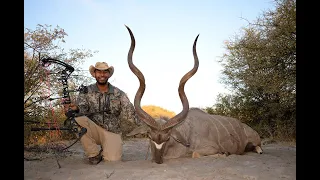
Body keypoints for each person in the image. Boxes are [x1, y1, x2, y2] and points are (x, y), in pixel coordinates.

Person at [64, 61, 141, 165]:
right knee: (76, 120)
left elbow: (130, 113)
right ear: (94, 74)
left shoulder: (119, 93)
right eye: (99, 72)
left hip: (112, 131)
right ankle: (94, 154)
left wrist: (145, 127)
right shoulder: (86, 91)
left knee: (113, 160)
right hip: (93, 129)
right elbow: (82, 109)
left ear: (109, 74)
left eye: (105, 72)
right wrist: (75, 108)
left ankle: (106, 150)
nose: (102, 75)